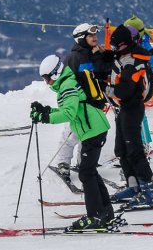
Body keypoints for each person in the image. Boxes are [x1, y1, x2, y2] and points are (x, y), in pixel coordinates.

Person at [31, 54, 114, 231]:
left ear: (55, 73)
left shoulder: (67, 85)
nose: (46, 82)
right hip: (93, 128)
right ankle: (105, 212)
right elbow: (70, 109)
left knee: (86, 173)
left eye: (47, 78)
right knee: (89, 171)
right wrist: (47, 110)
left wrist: (44, 117)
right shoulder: (66, 82)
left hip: (93, 130)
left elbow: (68, 113)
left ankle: (95, 216)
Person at [107, 24, 153, 207]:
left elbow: (124, 90)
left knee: (134, 150)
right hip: (124, 109)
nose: (115, 50)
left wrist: (104, 88)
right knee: (121, 149)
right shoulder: (123, 56)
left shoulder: (132, 62)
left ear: (125, 44)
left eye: (117, 47)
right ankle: (134, 185)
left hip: (132, 107)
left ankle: (149, 191)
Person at [54, 22, 113, 181]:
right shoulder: (74, 58)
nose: (95, 38)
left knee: (88, 135)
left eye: (95, 35)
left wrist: (102, 56)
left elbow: (103, 72)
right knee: (71, 134)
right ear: (81, 38)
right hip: (80, 104)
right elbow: (66, 81)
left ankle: (83, 161)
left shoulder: (95, 53)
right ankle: (63, 163)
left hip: (95, 102)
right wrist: (72, 100)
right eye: (91, 35)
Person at [125, 14, 153, 149]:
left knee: (138, 112)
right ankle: (137, 141)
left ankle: (143, 142)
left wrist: (152, 75)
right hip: (131, 83)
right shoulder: (132, 43)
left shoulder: (145, 46)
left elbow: (152, 62)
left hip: (143, 83)